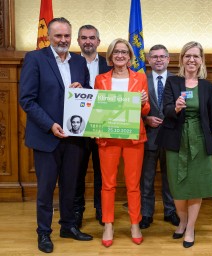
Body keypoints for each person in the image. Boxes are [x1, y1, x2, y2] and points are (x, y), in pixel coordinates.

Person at [19, 17, 93, 254]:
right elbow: (27, 100)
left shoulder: (80, 61)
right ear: (49, 36)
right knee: (46, 189)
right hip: (46, 137)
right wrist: (50, 125)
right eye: (58, 35)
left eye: (67, 36)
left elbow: (89, 94)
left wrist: (84, 91)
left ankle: (68, 226)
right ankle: (43, 233)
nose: (63, 40)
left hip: (74, 136)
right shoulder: (35, 59)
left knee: (71, 186)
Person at [156, 41, 212, 248]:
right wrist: (176, 108)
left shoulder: (207, 86)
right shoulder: (173, 82)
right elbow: (165, 109)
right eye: (188, 56)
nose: (192, 60)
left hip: (199, 140)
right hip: (176, 140)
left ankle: (190, 228)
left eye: (196, 56)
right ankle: (181, 222)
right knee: (178, 185)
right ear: (182, 59)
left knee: (196, 185)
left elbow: (209, 117)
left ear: (201, 61)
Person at [95, 38, 150, 247]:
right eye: (116, 52)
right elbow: (98, 109)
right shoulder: (100, 79)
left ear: (130, 56)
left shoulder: (140, 78)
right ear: (110, 56)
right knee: (108, 184)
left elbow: (146, 111)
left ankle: (135, 223)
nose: (120, 55)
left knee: (133, 184)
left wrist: (144, 103)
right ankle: (108, 223)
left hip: (133, 138)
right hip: (108, 138)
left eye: (124, 52)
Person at [73, 24, 112, 228]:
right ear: (78, 41)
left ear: (98, 41)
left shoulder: (109, 64)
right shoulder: (69, 63)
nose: (88, 41)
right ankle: (77, 212)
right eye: (83, 37)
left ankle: (101, 210)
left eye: (92, 38)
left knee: (102, 172)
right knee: (77, 172)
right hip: (77, 128)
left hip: (103, 126)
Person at [139, 44, 179, 229]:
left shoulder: (178, 80)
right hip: (149, 137)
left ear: (169, 59)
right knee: (146, 179)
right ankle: (146, 213)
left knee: (169, 178)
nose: (158, 60)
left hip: (171, 136)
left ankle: (170, 211)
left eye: (162, 56)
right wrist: (146, 119)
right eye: (154, 57)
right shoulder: (140, 80)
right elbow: (131, 107)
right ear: (148, 60)